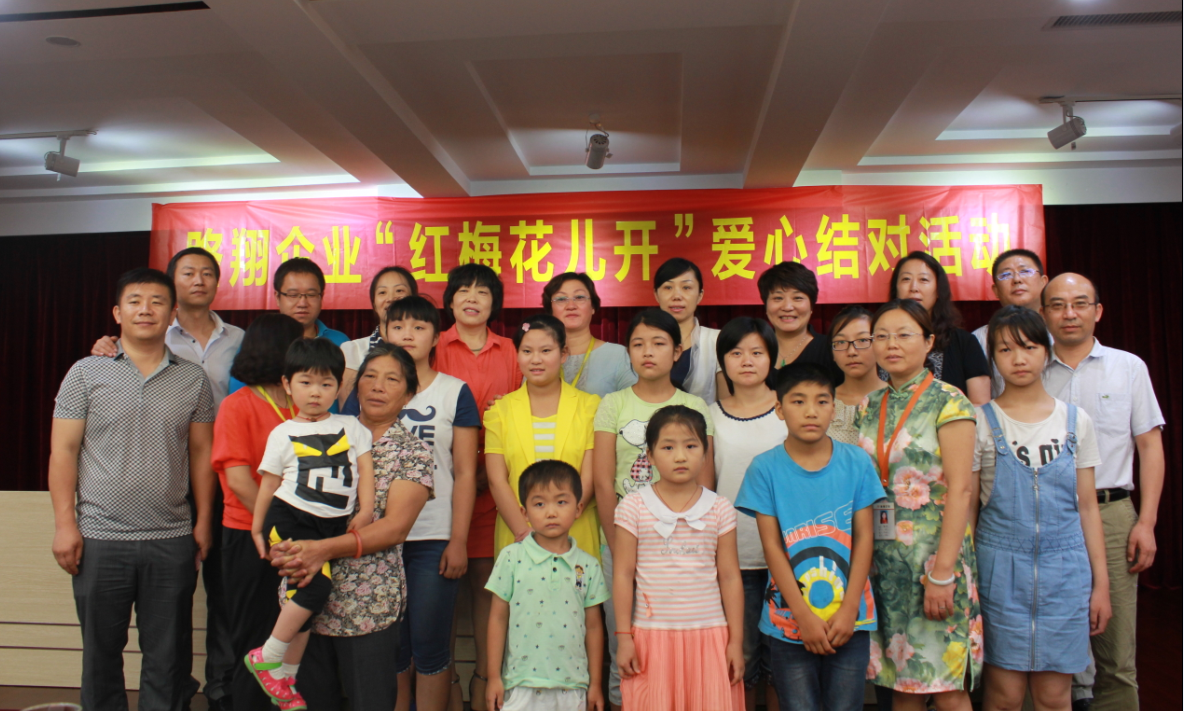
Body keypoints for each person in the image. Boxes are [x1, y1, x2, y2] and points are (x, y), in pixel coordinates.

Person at [49, 267, 216, 711]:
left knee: (168, 658)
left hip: (171, 538)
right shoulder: (85, 373)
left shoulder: (192, 379)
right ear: (117, 313)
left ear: (172, 313)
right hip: (100, 538)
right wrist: (65, 525)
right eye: (135, 301)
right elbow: (63, 452)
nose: (146, 310)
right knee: (100, 657)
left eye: (157, 301)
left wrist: (203, 521)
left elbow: (202, 454)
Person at [90, 246, 244, 708]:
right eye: (188, 272)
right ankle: (177, 691)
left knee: (219, 597)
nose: (198, 280)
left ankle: (218, 689)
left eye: (207, 273)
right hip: (157, 483)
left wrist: (206, 514)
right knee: (154, 620)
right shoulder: (131, 342)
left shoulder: (239, 339)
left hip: (223, 479)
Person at [268, 343, 435, 710]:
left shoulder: (412, 452)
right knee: (307, 702)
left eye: (392, 380)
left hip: (366, 606)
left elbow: (394, 528)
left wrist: (322, 549)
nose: (377, 386)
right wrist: (280, 544)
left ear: (409, 394)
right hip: (304, 596)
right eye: (370, 376)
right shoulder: (315, 430)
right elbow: (282, 496)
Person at [971, 306, 1111, 711]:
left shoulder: (1075, 421)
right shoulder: (980, 421)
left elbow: (1088, 508)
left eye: (1029, 347)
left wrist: (1100, 585)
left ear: (1046, 352)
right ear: (993, 358)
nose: (1018, 359)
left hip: (1065, 573)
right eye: (1005, 349)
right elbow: (969, 508)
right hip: (999, 573)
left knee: (1053, 697)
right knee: (1004, 697)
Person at [349, 295, 480, 711]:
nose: (408, 334)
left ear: (437, 337)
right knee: (392, 646)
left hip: (433, 537)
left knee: (429, 644)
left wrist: (458, 540)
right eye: (398, 326)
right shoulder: (366, 389)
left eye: (419, 327)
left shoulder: (455, 392)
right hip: (373, 538)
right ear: (383, 332)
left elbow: (465, 474)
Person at [1041, 273, 1164, 711]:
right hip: (1046, 516)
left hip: (1112, 515)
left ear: (1098, 311)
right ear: (1043, 314)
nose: (1069, 314)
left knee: (1115, 652)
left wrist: (1146, 522)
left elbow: (1150, 447)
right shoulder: (1026, 369)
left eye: (1080, 303)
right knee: (1045, 653)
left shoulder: (1128, 367)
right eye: (1057, 305)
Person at [735, 363, 886, 711]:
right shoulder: (765, 468)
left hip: (851, 618)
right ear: (779, 408)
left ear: (834, 408)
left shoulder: (857, 462)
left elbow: (865, 538)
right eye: (798, 401)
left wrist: (849, 609)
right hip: (789, 622)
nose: (811, 411)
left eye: (821, 401)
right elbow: (772, 547)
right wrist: (802, 616)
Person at [857, 298, 982, 710]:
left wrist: (942, 573)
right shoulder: (869, 405)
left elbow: (961, 490)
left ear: (928, 342)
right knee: (902, 683)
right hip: (884, 563)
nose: (891, 344)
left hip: (935, 560)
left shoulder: (950, 401)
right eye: (881, 336)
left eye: (904, 335)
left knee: (946, 687)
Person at [245, 338, 376, 708]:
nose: (315, 392)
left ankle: (285, 678)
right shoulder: (282, 433)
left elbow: (365, 470)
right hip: (291, 517)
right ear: (287, 384)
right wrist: (257, 527)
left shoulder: (352, 426)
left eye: (325, 383)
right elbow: (269, 484)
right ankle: (267, 656)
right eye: (305, 382)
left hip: (333, 526)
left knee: (304, 598)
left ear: (339, 385)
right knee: (314, 588)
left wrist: (366, 509)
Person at [613, 406, 745, 711]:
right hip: (652, 637)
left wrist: (735, 642)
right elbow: (622, 574)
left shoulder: (719, 508)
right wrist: (624, 637)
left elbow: (729, 577)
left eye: (691, 446)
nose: (680, 456)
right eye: (668, 447)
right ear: (649, 454)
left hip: (709, 635)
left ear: (706, 452)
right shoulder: (633, 507)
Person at [433, 262, 521, 710]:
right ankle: (444, 683)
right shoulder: (433, 345)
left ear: (494, 303)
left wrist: (490, 475)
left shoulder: (513, 351)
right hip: (436, 490)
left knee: (488, 588)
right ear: (450, 301)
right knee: (440, 594)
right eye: (463, 290)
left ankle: (486, 683)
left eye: (482, 291)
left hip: (495, 487)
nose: (472, 298)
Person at [211, 313, 305, 711]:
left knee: (296, 637)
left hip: (301, 540)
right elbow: (238, 480)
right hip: (252, 535)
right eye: (298, 344)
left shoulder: (304, 403)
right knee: (254, 636)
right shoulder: (238, 405)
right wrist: (278, 528)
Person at [485, 461, 610, 711]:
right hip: (521, 684)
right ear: (524, 513)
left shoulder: (587, 565)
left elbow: (594, 626)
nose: (551, 512)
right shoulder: (511, 558)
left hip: (572, 686)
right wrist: (494, 677)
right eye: (539, 504)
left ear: (578, 508)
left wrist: (595, 683)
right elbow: (497, 619)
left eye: (561, 502)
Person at [709, 317, 785, 710]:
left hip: (788, 555)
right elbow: (705, 488)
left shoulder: (790, 409)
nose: (747, 361)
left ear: (773, 358)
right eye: (736, 353)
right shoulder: (710, 415)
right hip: (732, 557)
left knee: (783, 661)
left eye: (757, 352)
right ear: (722, 361)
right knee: (741, 657)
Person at [485, 314, 602, 561]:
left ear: (563, 354)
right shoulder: (500, 410)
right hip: (518, 535)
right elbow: (497, 480)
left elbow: (590, 475)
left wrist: (561, 526)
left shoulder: (590, 406)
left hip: (576, 532)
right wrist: (524, 533)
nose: (536, 359)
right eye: (527, 351)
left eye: (546, 350)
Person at [889, 251, 991, 405]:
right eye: (906, 279)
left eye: (923, 279)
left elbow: (980, 406)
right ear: (896, 290)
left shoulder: (965, 342)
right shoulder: (879, 339)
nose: (914, 287)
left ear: (938, 290)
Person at [542, 271, 636, 397]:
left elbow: (635, 403)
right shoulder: (540, 357)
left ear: (593, 307)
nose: (571, 306)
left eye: (579, 297)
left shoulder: (619, 356)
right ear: (550, 310)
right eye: (561, 299)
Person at [970, 249, 1049, 398]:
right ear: (995, 290)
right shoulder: (978, 340)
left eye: (1025, 271)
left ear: (1043, 281)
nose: (1017, 279)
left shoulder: (1059, 332)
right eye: (1006, 275)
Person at [339, 266, 417, 403]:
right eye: (382, 292)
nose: (391, 298)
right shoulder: (353, 350)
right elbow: (349, 410)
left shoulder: (423, 347)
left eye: (399, 290)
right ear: (374, 304)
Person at [757, 261, 844, 383]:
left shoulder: (832, 349)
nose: (787, 307)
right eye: (778, 298)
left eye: (797, 298)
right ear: (765, 305)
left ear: (811, 306)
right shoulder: (751, 349)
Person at [653, 257, 721, 403]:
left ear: (700, 295)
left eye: (686, 287)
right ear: (656, 295)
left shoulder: (717, 341)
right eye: (668, 287)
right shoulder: (643, 343)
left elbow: (727, 404)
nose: (677, 296)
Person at [827, 306, 885, 445]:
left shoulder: (899, 400)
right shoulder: (823, 402)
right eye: (841, 342)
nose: (851, 351)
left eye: (863, 340)